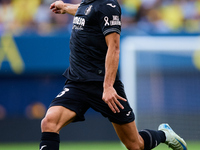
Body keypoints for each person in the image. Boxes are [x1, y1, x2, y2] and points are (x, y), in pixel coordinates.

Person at [39, 0, 187, 150]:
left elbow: (114, 47)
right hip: (77, 83)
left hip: (102, 84)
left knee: (135, 145)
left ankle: (164, 135)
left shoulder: (108, 6)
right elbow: (86, 10)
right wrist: (64, 7)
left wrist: (108, 86)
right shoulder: (88, 3)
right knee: (49, 122)